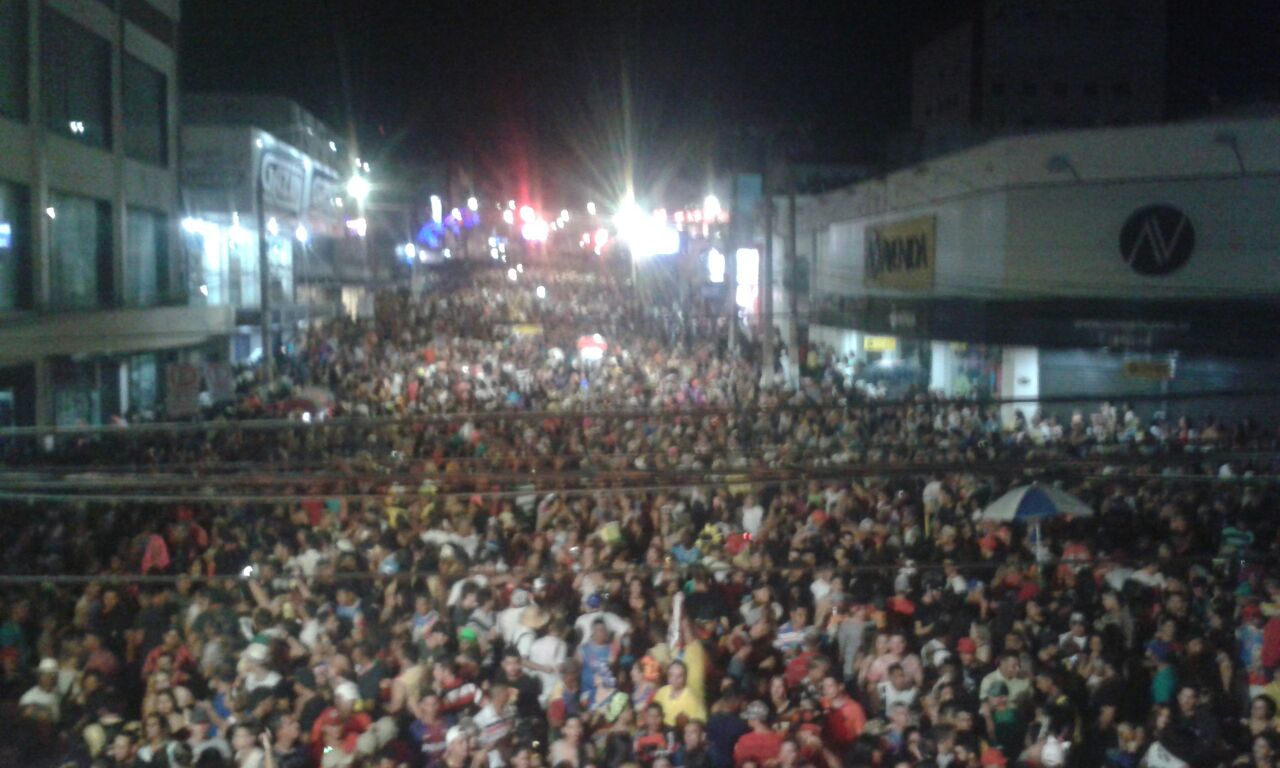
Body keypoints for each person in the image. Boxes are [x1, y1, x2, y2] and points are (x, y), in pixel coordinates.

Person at [653, 661, 706, 728]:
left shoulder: (692, 698)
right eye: (671, 675)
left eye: (679, 676)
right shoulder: (662, 691)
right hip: (660, 729)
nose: (674, 679)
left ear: (685, 677)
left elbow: (701, 723)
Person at [732, 701, 782, 767]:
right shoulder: (778, 739)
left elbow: (738, 760)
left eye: (749, 717)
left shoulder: (745, 740)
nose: (748, 720)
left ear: (755, 719)